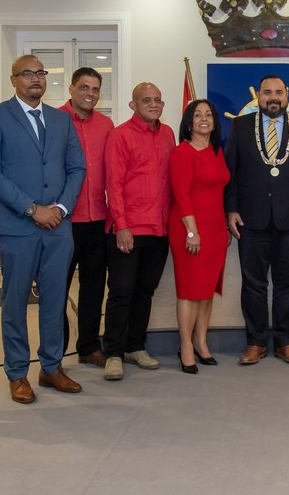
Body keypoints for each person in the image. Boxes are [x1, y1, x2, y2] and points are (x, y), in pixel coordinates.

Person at [0, 54, 86, 403]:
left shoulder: (61, 120)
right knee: (15, 303)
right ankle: (17, 373)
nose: (35, 78)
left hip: (58, 227)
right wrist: (31, 209)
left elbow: (77, 168)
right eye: (27, 73)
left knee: (55, 300)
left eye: (40, 73)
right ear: (14, 80)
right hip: (16, 227)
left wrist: (60, 208)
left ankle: (51, 367)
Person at [225, 75, 289, 365]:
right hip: (250, 218)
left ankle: (285, 342)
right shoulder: (241, 126)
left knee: (287, 283)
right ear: (259, 96)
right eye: (267, 92)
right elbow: (230, 172)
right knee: (252, 284)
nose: (273, 97)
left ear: (287, 94)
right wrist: (231, 209)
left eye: (278, 92)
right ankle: (255, 342)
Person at [102, 82, 175, 380]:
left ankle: (136, 346)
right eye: (146, 100)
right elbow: (113, 184)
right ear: (133, 105)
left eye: (158, 99)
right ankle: (113, 353)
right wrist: (121, 226)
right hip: (128, 229)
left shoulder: (168, 134)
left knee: (145, 292)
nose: (153, 104)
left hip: (159, 228)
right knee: (121, 291)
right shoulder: (120, 135)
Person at [58, 67, 114, 368]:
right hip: (63, 221)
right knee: (57, 290)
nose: (90, 94)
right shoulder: (54, 120)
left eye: (95, 89)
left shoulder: (106, 125)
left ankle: (89, 347)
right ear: (71, 88)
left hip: (97, 219)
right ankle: (54, 353)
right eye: (84, 87)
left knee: (93, 288)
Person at [169, 99, 230, 374]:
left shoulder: (217, 151)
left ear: (214, 122)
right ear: (189, 122)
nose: (203, 119)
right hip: (189, 229)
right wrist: (192, 231)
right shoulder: (182, 152)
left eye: (208, 114)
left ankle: (201, 342)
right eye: (197, 115)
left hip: (215, 230)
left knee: (206, 290)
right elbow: (181, 195)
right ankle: (185, 347)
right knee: (190, 291)